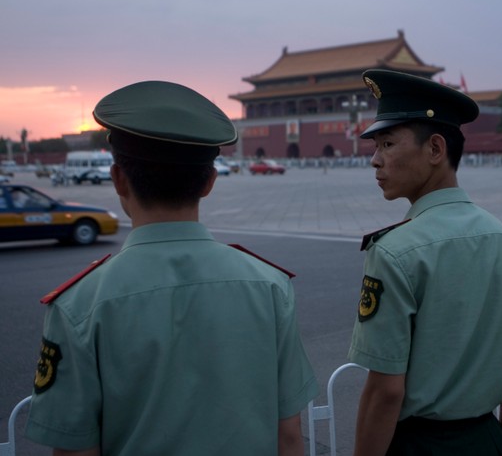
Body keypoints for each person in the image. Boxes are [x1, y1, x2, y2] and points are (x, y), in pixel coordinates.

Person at [25, 81, 318, 456]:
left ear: (118, 179)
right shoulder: (270, 286)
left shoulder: (79, 305)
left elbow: (75, 450)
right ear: (209, 182)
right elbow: (289, 435)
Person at [347, 69, 502, 456]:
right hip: (487, 438)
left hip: (421, 444)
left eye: (386, 143)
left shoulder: (396, 251)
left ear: (435, 150)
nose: (375, 160)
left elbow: (386, 390)